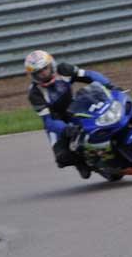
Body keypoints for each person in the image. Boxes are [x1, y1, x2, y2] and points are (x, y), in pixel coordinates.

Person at [25, 50, 115, 179]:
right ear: (33, 75)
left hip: (75, 108)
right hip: (56, 120)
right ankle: (81, 162)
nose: (43, 73)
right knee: (62, 157)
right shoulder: (34, 93)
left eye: (45, 68)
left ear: (52, 65)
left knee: (99, 124)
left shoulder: (63, 70)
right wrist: (65, 129)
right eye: (38, 72)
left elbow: (90, 75)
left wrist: (109, 85)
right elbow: (47, 120)